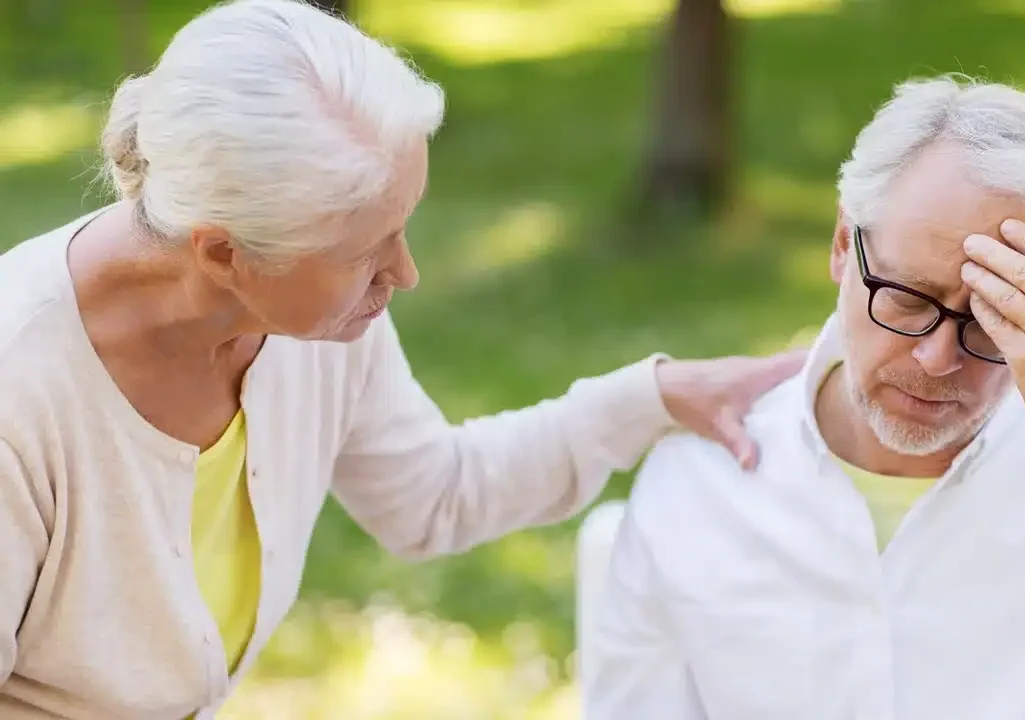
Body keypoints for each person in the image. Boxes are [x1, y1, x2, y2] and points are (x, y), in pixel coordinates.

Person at [0, 1, 805, 717]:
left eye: (403, 225)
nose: (405, 273)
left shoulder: (310, 324)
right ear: (223, 252)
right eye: (365, 250)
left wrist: (655, 397)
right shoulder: (19, 392)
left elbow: (433, 495)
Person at [584, 75, 1025, 719]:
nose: (936, 358)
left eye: (991, 319)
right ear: (840, 245)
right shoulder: (696, 486)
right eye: (908, 298)